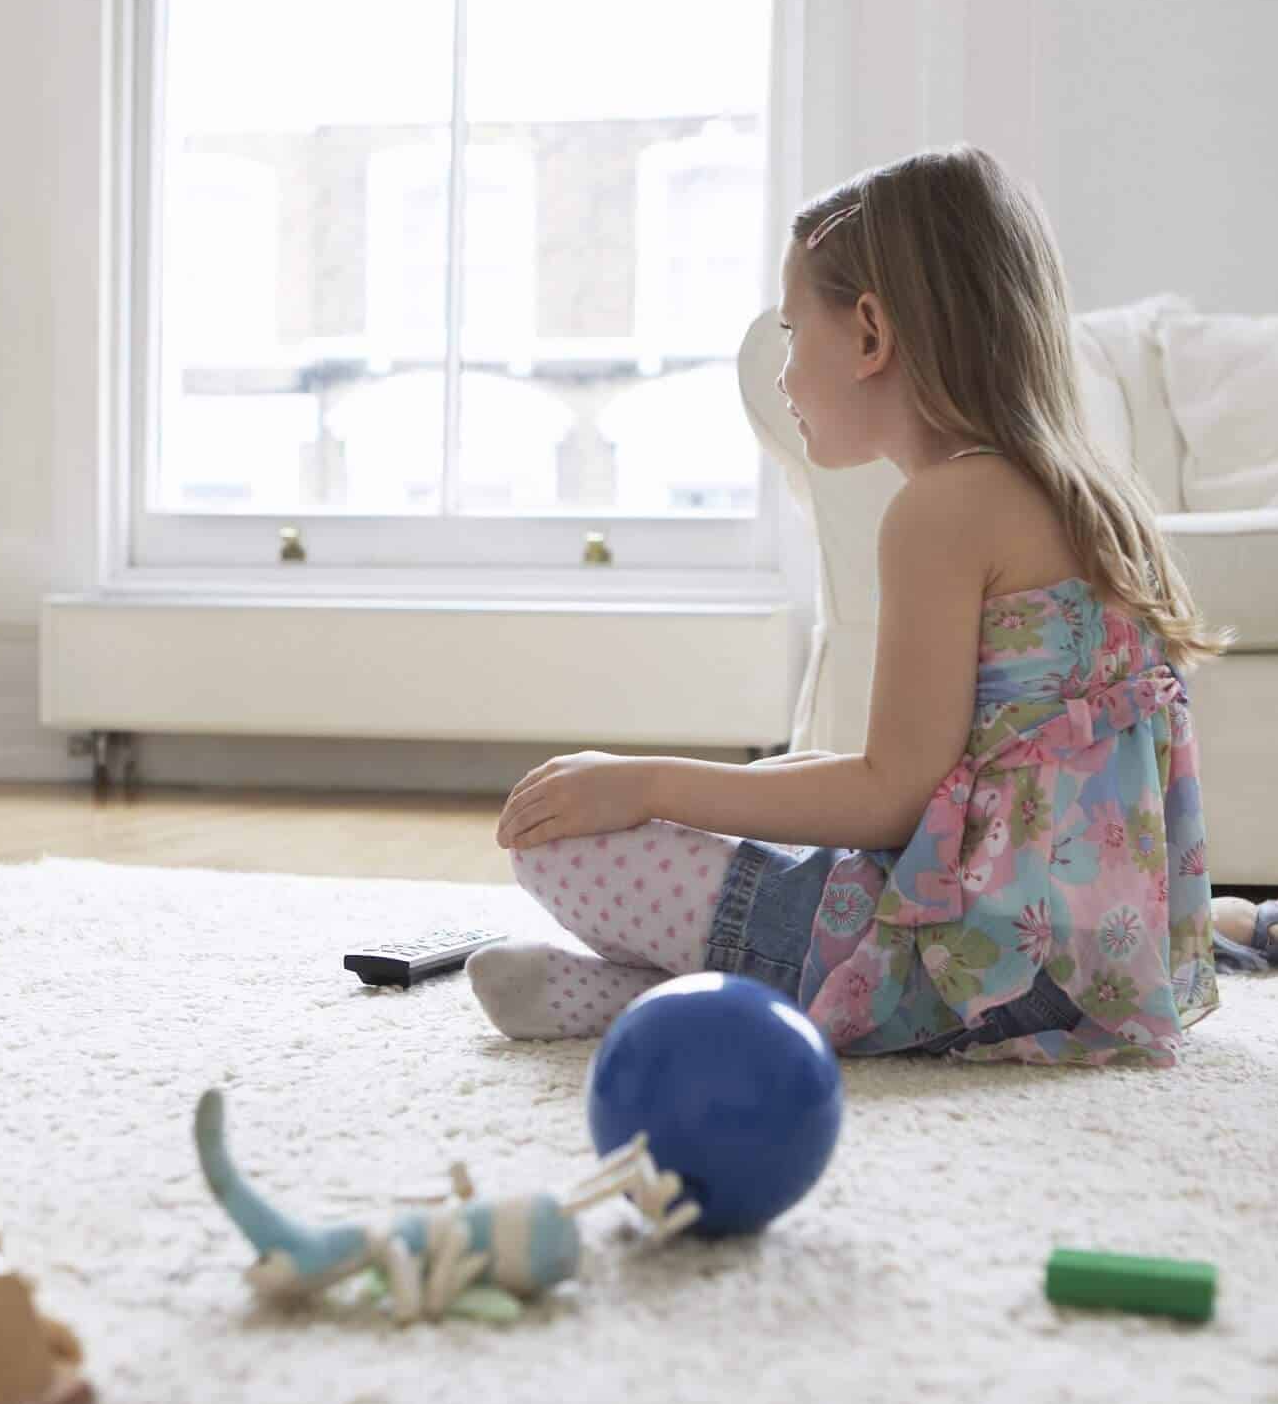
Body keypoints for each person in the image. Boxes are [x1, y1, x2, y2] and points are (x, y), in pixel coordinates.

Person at [471, 144, 1227, 1065]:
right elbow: (947, 774)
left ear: (870, 334)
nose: (783, 371)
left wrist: (647, 781)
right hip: (1090, 967)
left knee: (561, 850)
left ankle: (718, 998)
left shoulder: (942, 511)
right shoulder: (1089, 492)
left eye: (792, 331)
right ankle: (643, 999)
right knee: (778, 839)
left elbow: (890, 796)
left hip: (968, 970)